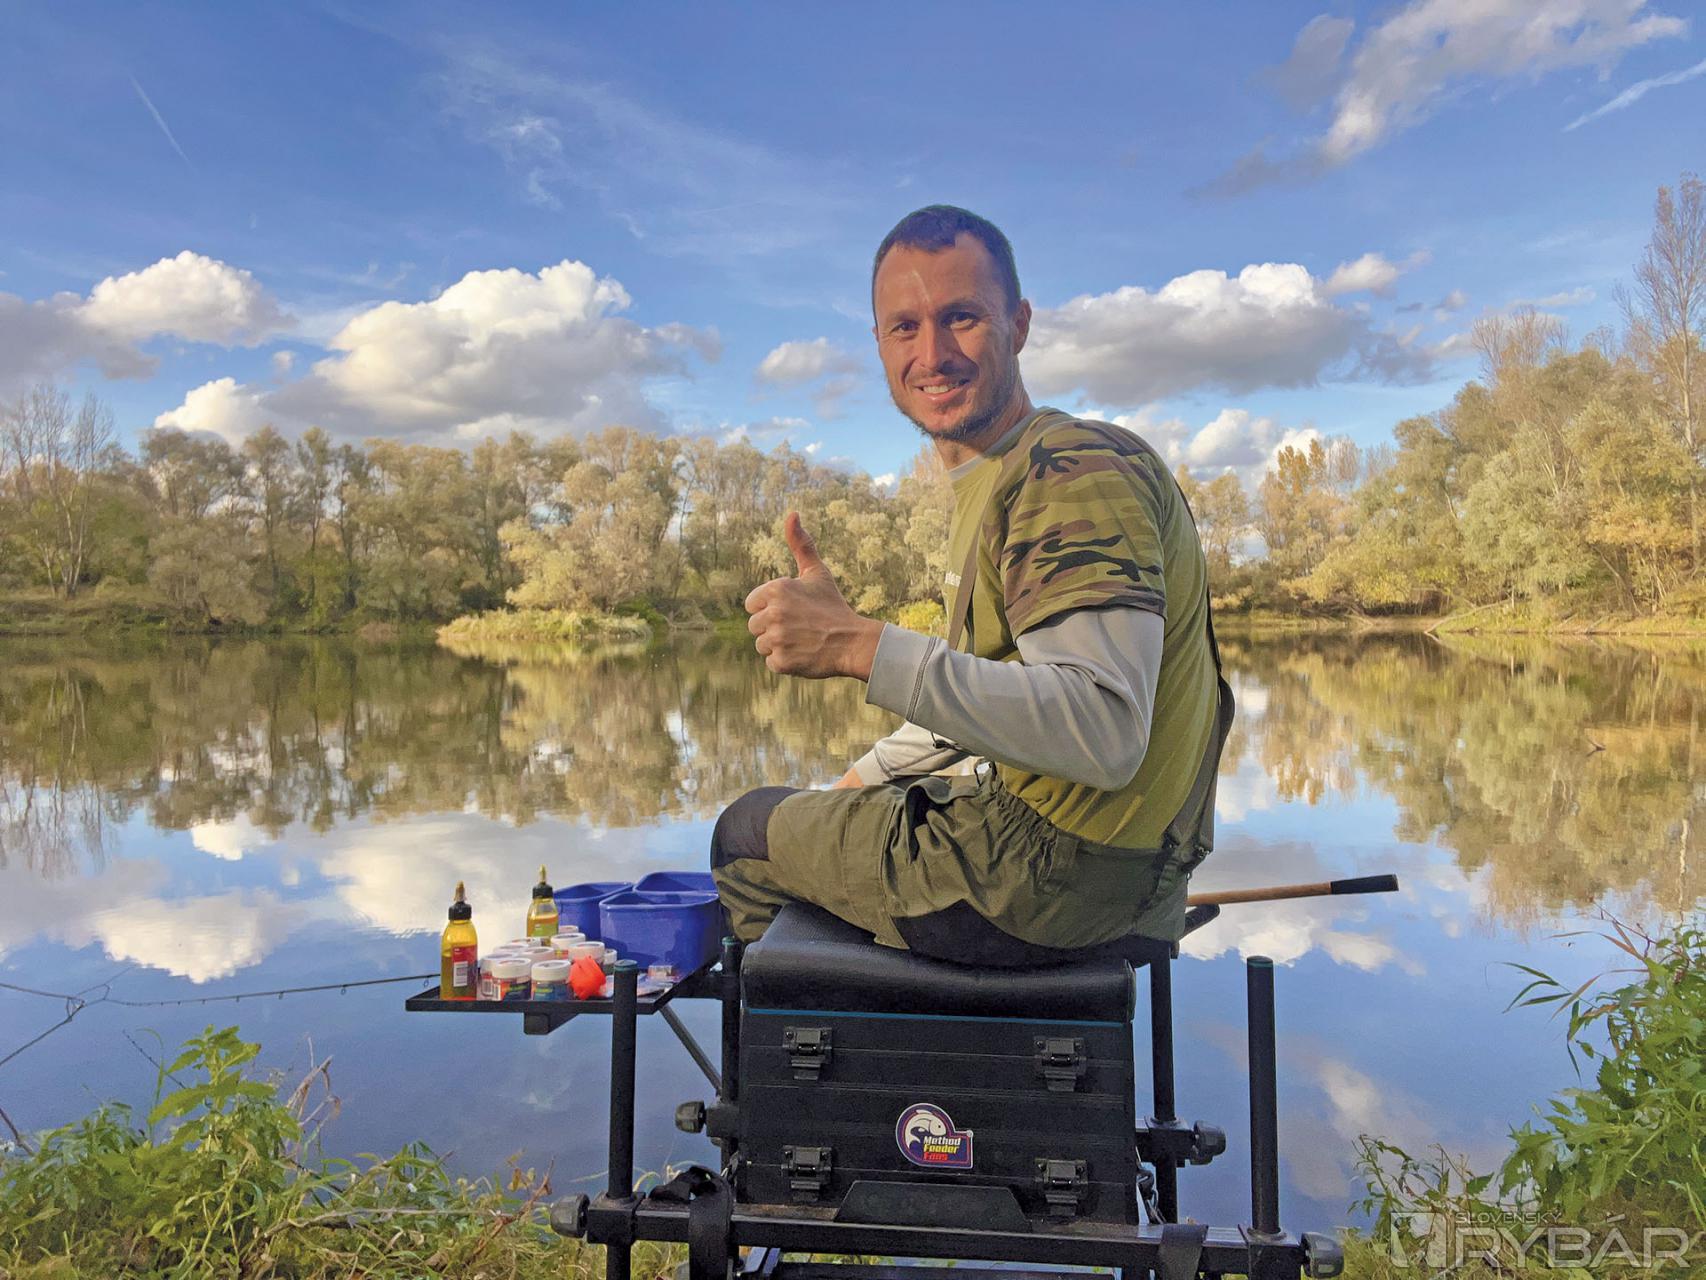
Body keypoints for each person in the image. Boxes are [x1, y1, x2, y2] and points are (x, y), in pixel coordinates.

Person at [711, 205, 1232, 964]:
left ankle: (812, 1035)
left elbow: (1106, 728)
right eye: (905, 327)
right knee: (833, 810)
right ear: (880, 344)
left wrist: (858, 646)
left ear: (1018, 325)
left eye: (961, 317)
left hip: (1048, 879)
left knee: (745, 833)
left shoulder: (1068, 468)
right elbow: (980, 699)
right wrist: (857, 783)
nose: (933, 354)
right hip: (1118, 874)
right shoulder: (1001, 479)